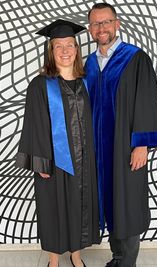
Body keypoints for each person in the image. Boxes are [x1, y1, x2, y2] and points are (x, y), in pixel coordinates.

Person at [85, 3, 157, 267]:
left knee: (127, 202)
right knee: (109, 202)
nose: (102, 28)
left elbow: (146, 101)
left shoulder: (134, 58)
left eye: (106, 22)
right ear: (90, 29)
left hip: (125, 146)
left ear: (117, 24)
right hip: (98, 150)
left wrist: (141, 144)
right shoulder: (88, 63)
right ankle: (117, 257)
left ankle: (127, 262)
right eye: (96, 24)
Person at [16, 19, 100, 267]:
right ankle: (54, 259)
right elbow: (34, 125)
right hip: (54, 160)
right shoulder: (40, 85)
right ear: (51, 52)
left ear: (77, 49)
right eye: (58, 46)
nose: (65, 51)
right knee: (53, 208)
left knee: (79, 206)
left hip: (85, 160)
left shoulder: (88, 82)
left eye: (70, 45)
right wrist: (41, 161)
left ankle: (75, 254)